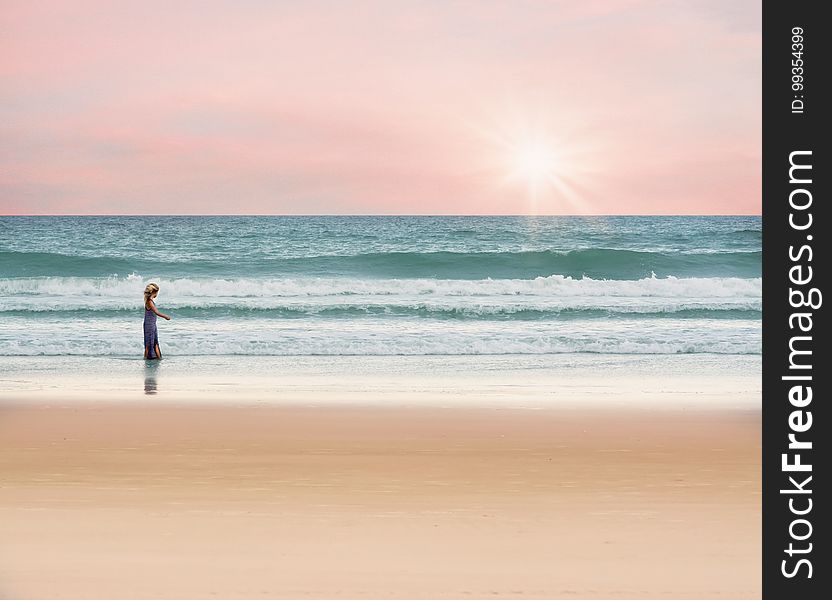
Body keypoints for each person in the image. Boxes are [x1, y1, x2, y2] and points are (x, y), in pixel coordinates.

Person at [143, 283, 171, 359]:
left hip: (152, 325)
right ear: (154, 292)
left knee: (155, 342)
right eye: (157, 292)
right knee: (149, 343)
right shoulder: (149, 302)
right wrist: (165, 316)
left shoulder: (150, 301)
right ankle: (146, 358)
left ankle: (159, 358)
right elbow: (156, 312)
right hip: (149, 325)